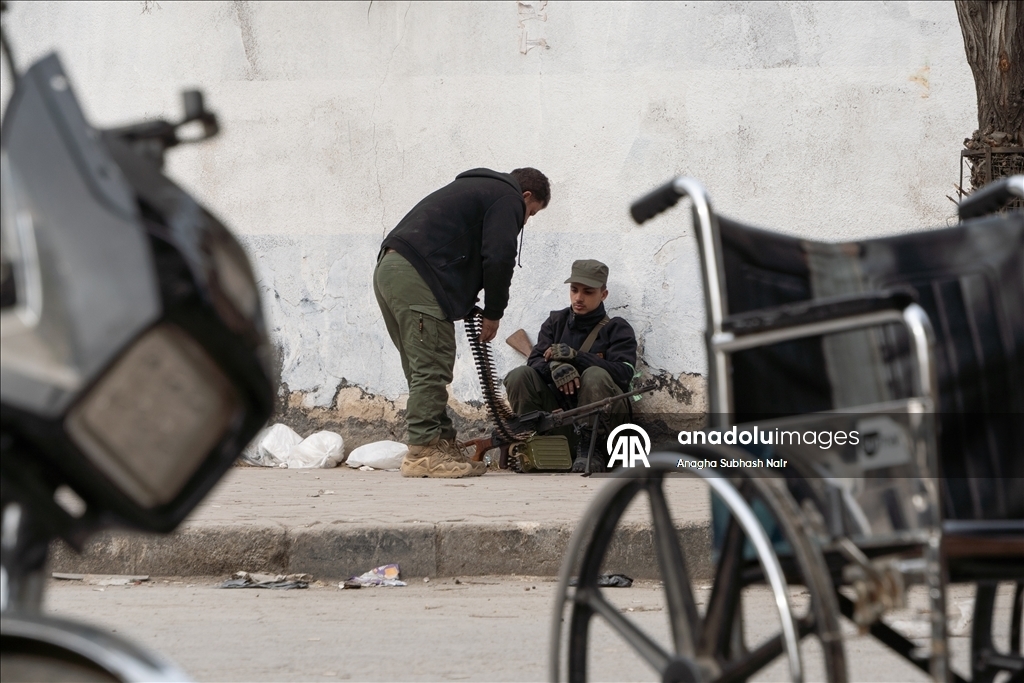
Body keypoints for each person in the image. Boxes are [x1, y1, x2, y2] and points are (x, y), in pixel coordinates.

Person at [374, 167, 550, 478]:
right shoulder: (507, 197)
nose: (525, 221)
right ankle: (423, 452)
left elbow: (456, 247)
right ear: (525, 196)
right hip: (416, 276)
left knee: (421, 365)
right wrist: (495, 311)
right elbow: (498, 254)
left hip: (393, 269)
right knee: (431, 363)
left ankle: (440, 443)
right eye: (531, 213)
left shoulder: (478, 190)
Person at [503, 259, 638, 472]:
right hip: (560, 422)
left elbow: (624, 374)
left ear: (603, 295)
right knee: (519, 375)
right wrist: (554, 367)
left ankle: (594, 452)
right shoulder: (555, 322)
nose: (578, 298)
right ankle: (532, 445)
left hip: (603, 431)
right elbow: (534, 362)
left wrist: (578, 358)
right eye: (574, 290)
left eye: (588, 292)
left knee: (594, 375)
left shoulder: (617, 328)